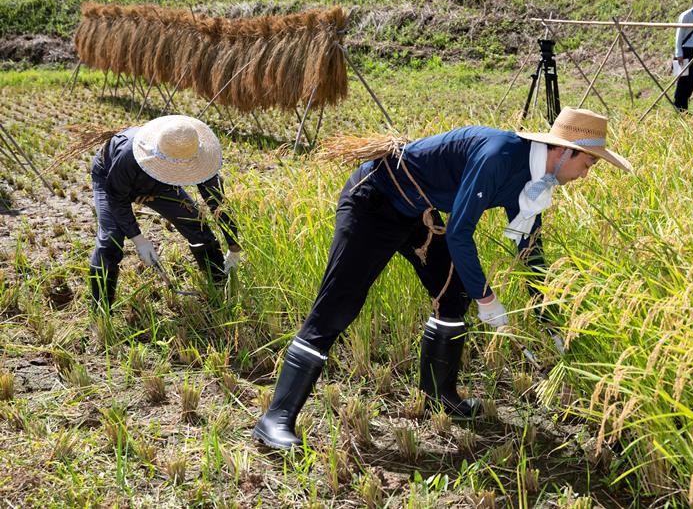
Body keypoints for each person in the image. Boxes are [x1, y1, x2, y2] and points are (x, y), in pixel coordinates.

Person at [252, 107, 632, 449]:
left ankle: (439, 394)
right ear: (565, 151)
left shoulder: (536, 181)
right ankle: (276, 417)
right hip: (374, 202)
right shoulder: (500, 155)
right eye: (588, 164)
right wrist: (487, 299)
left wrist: (548, 315)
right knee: (338, 307)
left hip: (417, 214)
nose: (585, 174)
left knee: (453, 295)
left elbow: (530, 250)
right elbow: (460, 233)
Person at [88, 115, 241, 311]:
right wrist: (138, 238)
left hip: (160, 186)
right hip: (111, 177)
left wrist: (233, 245)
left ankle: (219, 287)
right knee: (111, 240)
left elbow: (218, 204)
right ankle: (100, 312)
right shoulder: (130, 153)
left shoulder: (199, 157)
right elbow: (117, 197)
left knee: (195, 223)